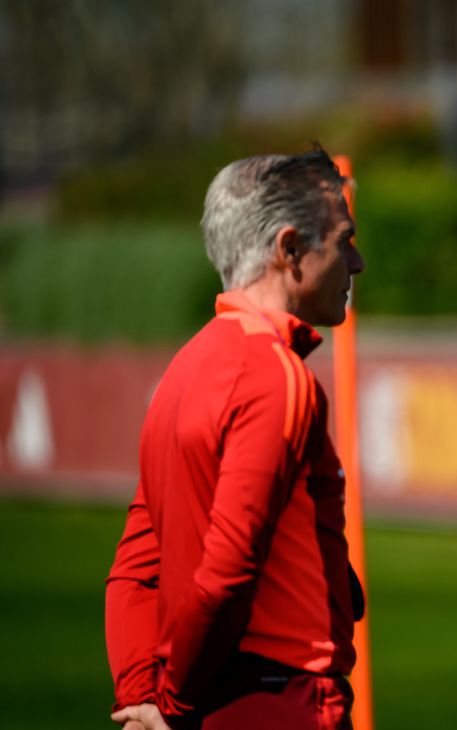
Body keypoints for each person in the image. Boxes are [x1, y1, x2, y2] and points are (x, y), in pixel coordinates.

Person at [105, 148, 365, 730]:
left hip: (212, 699)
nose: (358, 262)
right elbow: (226, 571)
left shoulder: (183, 369)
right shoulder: (276, 377)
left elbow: (133, 572)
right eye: (343, 240)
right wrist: (172, 706)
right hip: (283, 700)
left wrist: (141, 697)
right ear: (290, 249)